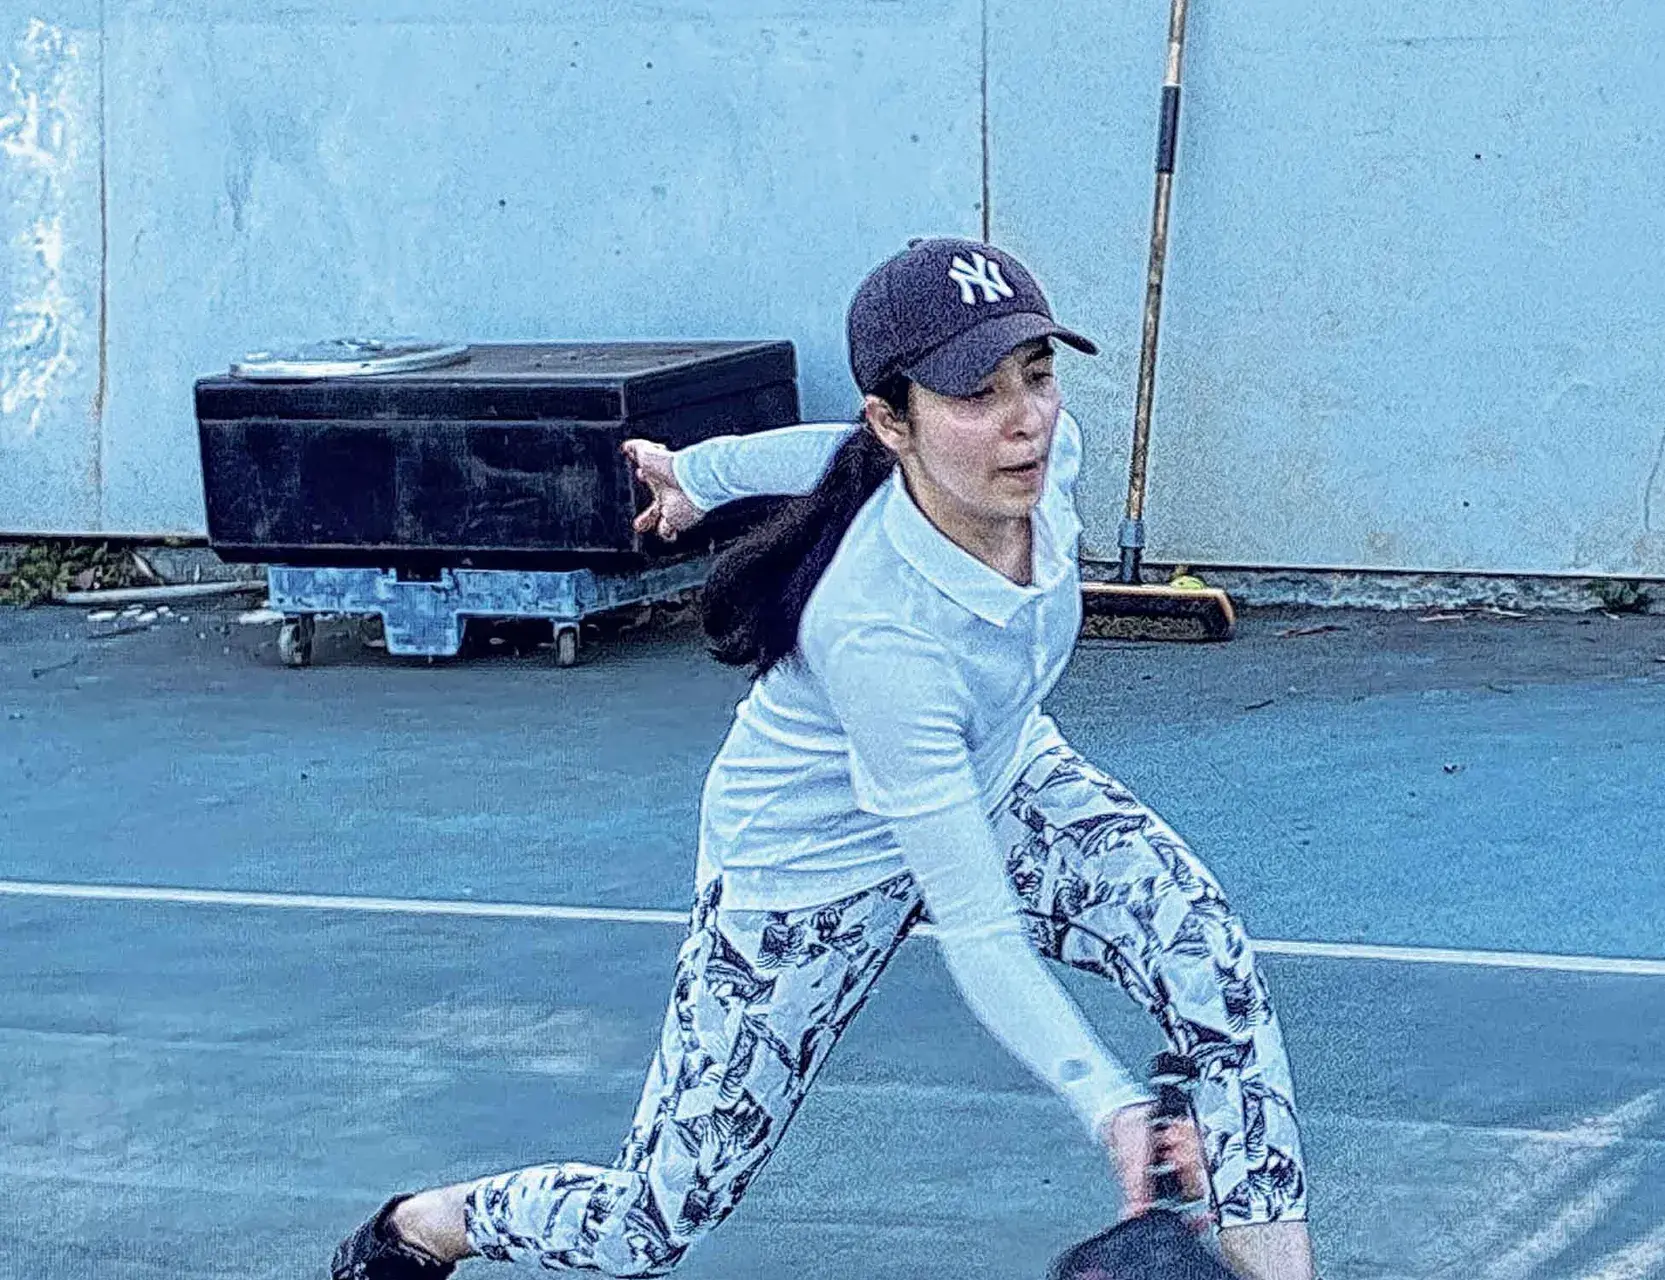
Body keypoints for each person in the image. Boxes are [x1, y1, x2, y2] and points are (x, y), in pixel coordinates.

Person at [329, 237, 1316, 1280]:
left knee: (1204, 953)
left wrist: (696, 474)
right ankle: (425, 1223)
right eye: (975, 395)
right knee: (654, 1216)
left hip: (1001, 777)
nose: (1023, 417)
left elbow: (822, 454)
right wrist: (1108, 1099)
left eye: (1036, 373)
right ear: (896, 422)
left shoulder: (1037, 461)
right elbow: (977, 926)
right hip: (809, 871)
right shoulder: (878, 630)